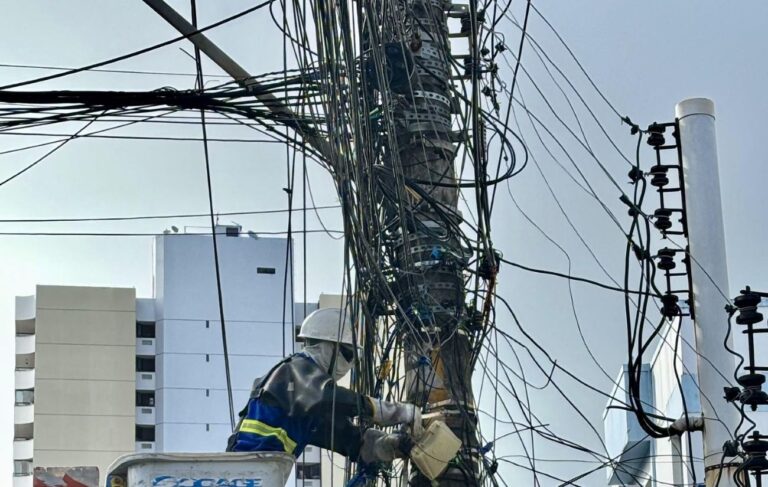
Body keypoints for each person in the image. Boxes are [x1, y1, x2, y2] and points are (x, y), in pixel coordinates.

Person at [226, 307, 421, 464]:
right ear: (329, 347)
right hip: (246, 470)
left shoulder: (304, 405)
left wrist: (389, 445)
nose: (349, 365)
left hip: (260, 471)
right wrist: (397, 411)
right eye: (347, 354)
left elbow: (348, 438)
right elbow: (331, 398)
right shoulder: (293, 372)